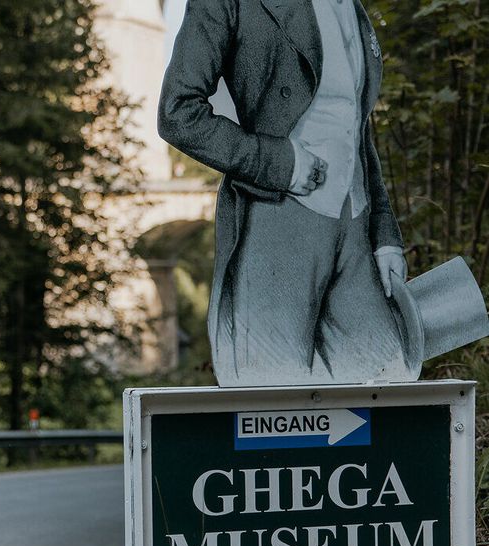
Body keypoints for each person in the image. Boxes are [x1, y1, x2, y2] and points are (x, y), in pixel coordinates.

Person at [158, 0, 412, 387]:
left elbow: (357, 127)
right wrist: (279, 162)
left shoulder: (352, 7)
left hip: (356, 229)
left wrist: (384, 235)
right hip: (276, 223)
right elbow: (178, 113)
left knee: (387, 391)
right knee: (272, 407)